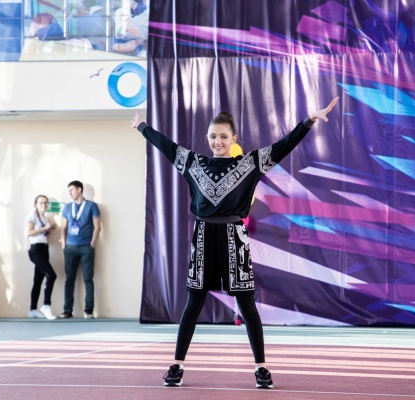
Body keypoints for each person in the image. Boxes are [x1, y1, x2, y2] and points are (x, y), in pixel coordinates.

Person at [131, 96, 340, 389]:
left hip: (234, 238)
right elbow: (166, 146)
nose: (217, 141)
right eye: (213, 136)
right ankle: (177, 365)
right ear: (207, 138)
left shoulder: (250, 163)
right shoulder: (193, 163)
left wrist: (309, 121)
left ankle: (261, 368)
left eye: (223, 136)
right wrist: (142, 127)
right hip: (203, 237)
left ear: (234, 138)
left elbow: (284, 145)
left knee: (246, 305)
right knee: (193, 304)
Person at [59, 181, 101, 319]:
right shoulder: (67, 207)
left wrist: (92, 245)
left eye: (71, 190)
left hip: (86, 247)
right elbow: (63, 227)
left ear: (79, 190)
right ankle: (67, 310)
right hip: (70, 248)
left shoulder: (91, 206)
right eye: (69, 191)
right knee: (69, 280)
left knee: (88, 279)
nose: (70, 193)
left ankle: (89, 310)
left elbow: (97, 227)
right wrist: (64, 244)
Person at [26, 195, 58, 320]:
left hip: (44, 249)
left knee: (38, 281)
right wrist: (45, 228)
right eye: (41, 203)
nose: (43, 205)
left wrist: (50, 230)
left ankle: (32, 310)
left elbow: (43, 234)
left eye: (45, 203)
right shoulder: (32, 216)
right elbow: (29, 233)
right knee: (52, 275)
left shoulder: (45, 218)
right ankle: (46, 305)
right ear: (35, 204)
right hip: (35, 250)